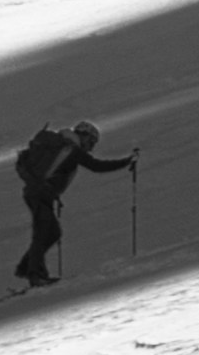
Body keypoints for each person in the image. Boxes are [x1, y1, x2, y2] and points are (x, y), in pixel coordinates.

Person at [11, 120, 137, 287]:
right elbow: (97, 166)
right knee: (43, 232)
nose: (90, 147)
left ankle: (26, 268)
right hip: (41, 193)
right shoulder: (72, 150)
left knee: (52, 232)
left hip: (36, 192)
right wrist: (126, 162)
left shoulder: (59, 145)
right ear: (83, 136)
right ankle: (35, 275)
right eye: (91, 142)